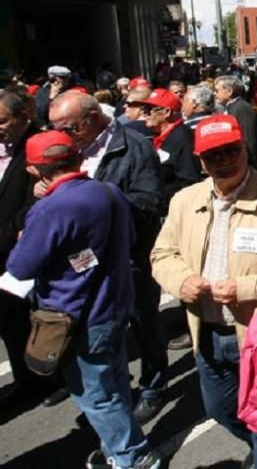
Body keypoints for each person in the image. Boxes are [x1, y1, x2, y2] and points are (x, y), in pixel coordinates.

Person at [150, 115, 257, 468]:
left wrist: (246, 288)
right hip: (205, 332)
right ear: (201, 161)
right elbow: (162, 254)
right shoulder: (185, 201)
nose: (224, 161)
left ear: (244, 149)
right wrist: (181, 280)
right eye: (213, 156)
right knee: (219, 409)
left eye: (231, 151)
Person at [7, 130, 161, 469]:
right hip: (115, 303)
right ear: (76, 158)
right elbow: (131, 236)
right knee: (115, 382)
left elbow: (20, 266)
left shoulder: (49, 208)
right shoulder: (109, 192)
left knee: (96, 396)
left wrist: (25, 236)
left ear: (35, 170)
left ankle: (133, 457)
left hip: (75, 314)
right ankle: (120, 450)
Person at [48, 91, 168, 424]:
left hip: (131, 257)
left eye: (69, 128)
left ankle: (154, 387)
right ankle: (114, 401)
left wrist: (95, 207)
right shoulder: (70, 148)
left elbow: (148, 202)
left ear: (92, 118)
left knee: (144, 325)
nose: (62, 136)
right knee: (104, 334)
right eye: (56, 128)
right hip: (87, 262)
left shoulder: (134, 146)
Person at [0, 87, 53, 407]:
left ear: (23, 117)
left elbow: (35, 204)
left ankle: (49, 378)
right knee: (9, 323)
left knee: (36, 319)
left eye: (2, 120)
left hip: (21, 248)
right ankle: (27, 379)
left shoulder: (39, 146)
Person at [137, 89, 201, 206]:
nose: (144, 115)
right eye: (144, 110)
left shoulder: (184, 139)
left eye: (149, 110)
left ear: (166, 112)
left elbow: (189, 181)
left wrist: (156, 194)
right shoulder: (157, 137)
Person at [214, 75, 257, 170]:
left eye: (218, 91)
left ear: (229, 91)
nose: (215, 94)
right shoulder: (229, 107)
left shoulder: (243, 108)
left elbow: (248, 139)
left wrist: (248, 166)